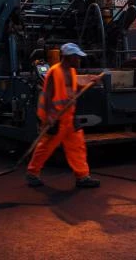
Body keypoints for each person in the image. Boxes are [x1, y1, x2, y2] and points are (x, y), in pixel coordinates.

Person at [26, 42, 101, 188]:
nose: (79, 60)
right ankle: (32, 173)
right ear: (68, 57)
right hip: (55, 117)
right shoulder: (55, 71)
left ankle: (82, 176)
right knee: (46, 147)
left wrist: (90, 83)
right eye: (77, 57)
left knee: (77, 146)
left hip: (68, 116)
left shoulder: (71, 71)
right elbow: (47, 94)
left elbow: (72, 88)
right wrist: (49, 116)